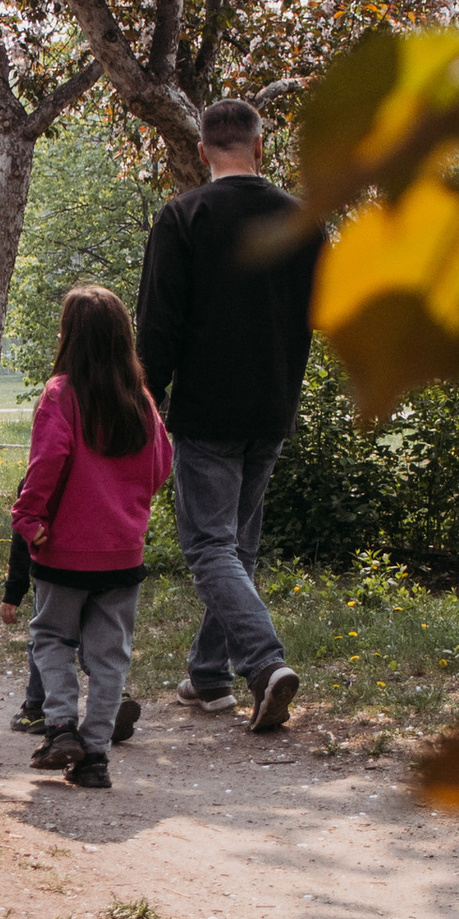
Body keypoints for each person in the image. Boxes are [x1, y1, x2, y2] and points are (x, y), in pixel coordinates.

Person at [135, 97, 322, 734]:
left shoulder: (185, 215)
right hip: (272, 403)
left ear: (202, 151)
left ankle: (264, 664)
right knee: (237, 544)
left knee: (209, 546)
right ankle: (208, 675)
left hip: (207, 409)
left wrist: (145, 395)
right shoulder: (305, 221)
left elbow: (158, 323)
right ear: (260, 147)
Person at [0, 286, 172, 790]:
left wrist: (30, 517)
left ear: (69, 336)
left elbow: (47, 462)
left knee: (52, 637)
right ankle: (95, 755)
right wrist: (129, 508)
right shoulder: (141, 399)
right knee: (109, 654)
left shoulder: (61, 394)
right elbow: (162, 465)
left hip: (63, 549)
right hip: (122, 551)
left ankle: (58, 728)